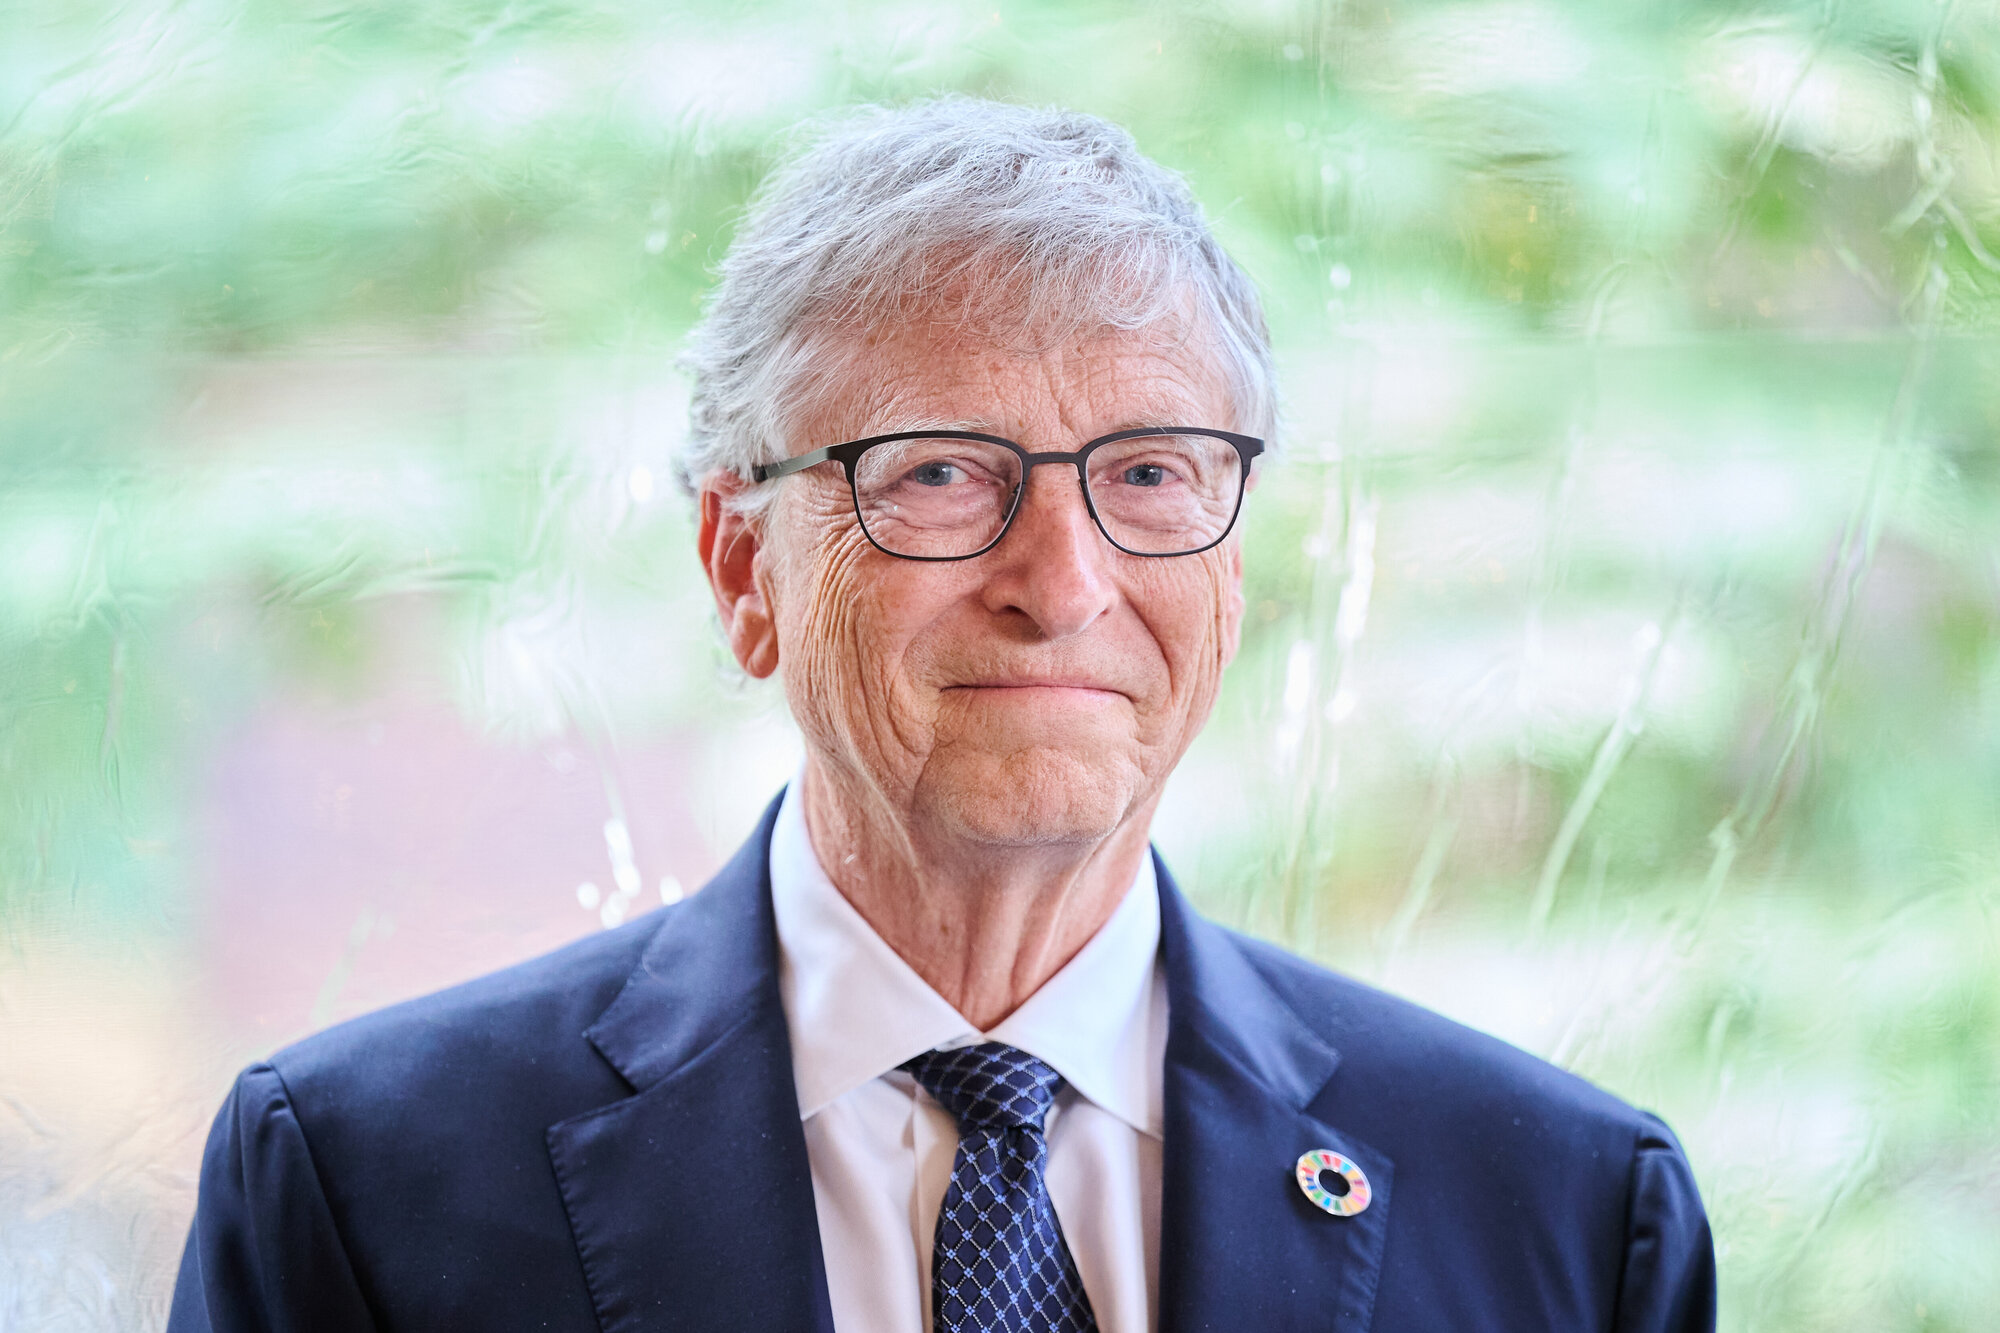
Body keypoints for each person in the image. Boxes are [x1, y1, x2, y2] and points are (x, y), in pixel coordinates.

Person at [168, 98, 1715, 1333]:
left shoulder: (1571, 1217)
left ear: (1234, 561)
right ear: (743, 567)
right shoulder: (362, 1187)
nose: (1065, 583)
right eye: (939, 473)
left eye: (1151, 471)